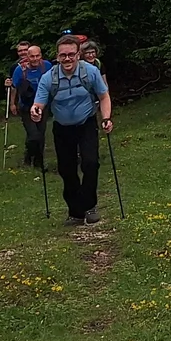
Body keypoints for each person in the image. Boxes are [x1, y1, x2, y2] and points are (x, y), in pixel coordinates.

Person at [32, 34, 112, 226]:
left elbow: (104, 96)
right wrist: (36, 112)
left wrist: (106, 118)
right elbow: (39, 103)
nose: (67, 59)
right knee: (66, 170)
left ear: (78, 55)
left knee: (91, 163)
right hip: (62, 128)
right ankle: (76, 212)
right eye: (63, 55)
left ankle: (90, 207)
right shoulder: (48, 78)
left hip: (86, 123)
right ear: (57, 57)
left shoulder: (90, 72)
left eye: (71, 54)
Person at [10, 43, 48, 169]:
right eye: (32, 56)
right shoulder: (20, 70)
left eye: (37, 56)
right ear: (28, 57)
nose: (35, 59)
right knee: (33, 135)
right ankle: (28, 156)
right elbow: (14, 87)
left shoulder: (47, 66)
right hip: (26, 106)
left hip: (42, 106)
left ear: (41, 55)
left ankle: (39, 162)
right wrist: (12, 104)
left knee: (40, 134)